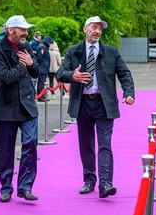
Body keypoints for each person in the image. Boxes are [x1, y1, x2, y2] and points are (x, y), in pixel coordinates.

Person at [56, 16, 135, 198]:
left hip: (104, 104)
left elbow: (124, 74)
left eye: (100, 28)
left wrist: (128, 92)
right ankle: (89, 180)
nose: (97, 31)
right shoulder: (73, 51)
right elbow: (60, 73)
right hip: (82, 103)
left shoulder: (111, 52)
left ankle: (106, 183)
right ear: (85, 29)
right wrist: (72, 76)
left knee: (105, 143)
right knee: (86, 144)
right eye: (94, 27)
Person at [0, 15, 40, 203]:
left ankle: (25, 186)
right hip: (6, 108)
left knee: (30, 144)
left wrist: (32, 64)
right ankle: (6, 187)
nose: (26, 33)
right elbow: (4, 77)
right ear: (11, 30)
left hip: (27, 106)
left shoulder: (26, 47)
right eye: (22, 29)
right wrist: (22, 65)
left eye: (27, 29)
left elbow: (36, 71)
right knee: (6, 150)